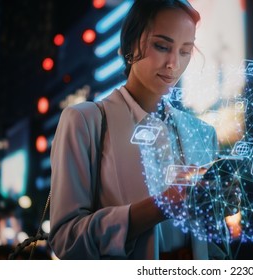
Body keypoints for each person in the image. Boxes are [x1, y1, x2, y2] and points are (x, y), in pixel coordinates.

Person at [48, 0, 230, 259]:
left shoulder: (202, 133)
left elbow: (210, 243)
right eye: (162, 46)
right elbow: (67, 240)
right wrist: (161, 206)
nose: (173, 64)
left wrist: (220, 205)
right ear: (130, 45)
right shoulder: (85, 121)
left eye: (185, 51)